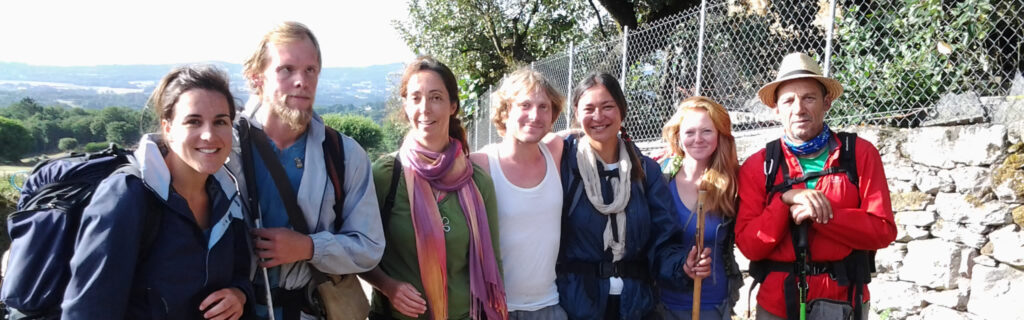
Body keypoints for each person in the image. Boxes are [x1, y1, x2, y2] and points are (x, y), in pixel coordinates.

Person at [61, 65, 252, 319]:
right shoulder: (127, 196)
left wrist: (239, 293)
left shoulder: (227, 195)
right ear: (168, 129)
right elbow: (87, 309)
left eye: (220, 121)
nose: (209, 134)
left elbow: (239, 272)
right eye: (193, 121)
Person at [229, 21, 385, 319]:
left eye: (310, 70)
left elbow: (369, 246)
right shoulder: (224, 148)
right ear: (257, 77)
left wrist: (309, 247)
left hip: (310, 309)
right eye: (286, 69)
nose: (301, 81)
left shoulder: (343, 155)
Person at [735, 52, 896, 320]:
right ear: (776, 109)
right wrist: (785, 202)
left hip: (844, 300)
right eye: (788, 100)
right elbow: (750, 245)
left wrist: (819, 215)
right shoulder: (759, 165)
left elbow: (882, 230)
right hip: (777, 304)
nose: (798, 109)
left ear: (827, 103)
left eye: (809, 98)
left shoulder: (859, 154)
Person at [362, 56, 507, 320]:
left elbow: (493, 264)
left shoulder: (477, 182)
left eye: (436, 98)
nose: (425, 108)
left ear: (453, 106)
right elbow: (356, 250)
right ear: (406, 106)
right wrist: (388, 286)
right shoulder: (387, 175)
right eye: (416, 98)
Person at [555, 72, 703, 320]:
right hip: (577, 306)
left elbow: (663, 240)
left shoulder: (645, 171)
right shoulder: (564, 168)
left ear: (622, 111)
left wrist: (682, 266)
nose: (598, 117)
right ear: (577, 114)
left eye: (607, 107)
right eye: (589, 109)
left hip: (636, 306)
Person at [467, 68, 566, 320]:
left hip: (550, 306)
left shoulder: (555, 150)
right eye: (525, 105)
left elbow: (578, 133)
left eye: (544, 107)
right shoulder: (481, 163)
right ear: (505, 111)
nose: (535, 115)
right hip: (496, 308)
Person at [656, 96, 743, 320]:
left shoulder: (735, 183)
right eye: (690, 132)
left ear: (719, 134)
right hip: (662, 303)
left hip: (713, 304)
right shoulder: (659, 179)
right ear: (678, 135)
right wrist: (681, 264)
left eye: (707, 131)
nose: (698, 139)